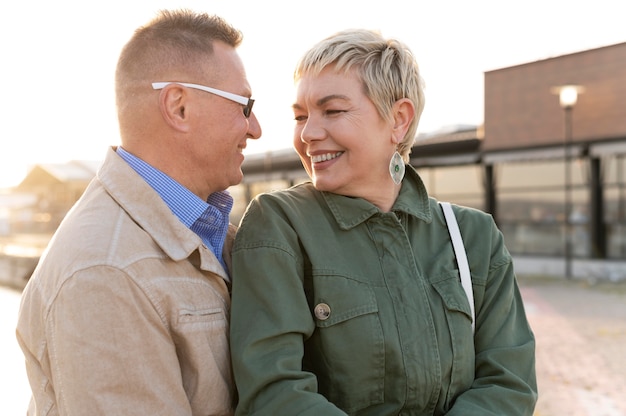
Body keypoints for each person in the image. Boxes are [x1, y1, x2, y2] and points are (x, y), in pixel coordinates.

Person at [229, 29, 537, 415]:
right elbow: (273, 392)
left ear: (399, 120)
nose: (308, 133)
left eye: (333, 110)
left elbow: (509, 384)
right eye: (300, 116)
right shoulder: (279, 225)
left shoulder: (474, 237)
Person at [16, 9, 261, 415]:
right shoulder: (105, 272)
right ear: (178, 106)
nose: (255, 129)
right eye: (245, 106)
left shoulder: (208, 230)